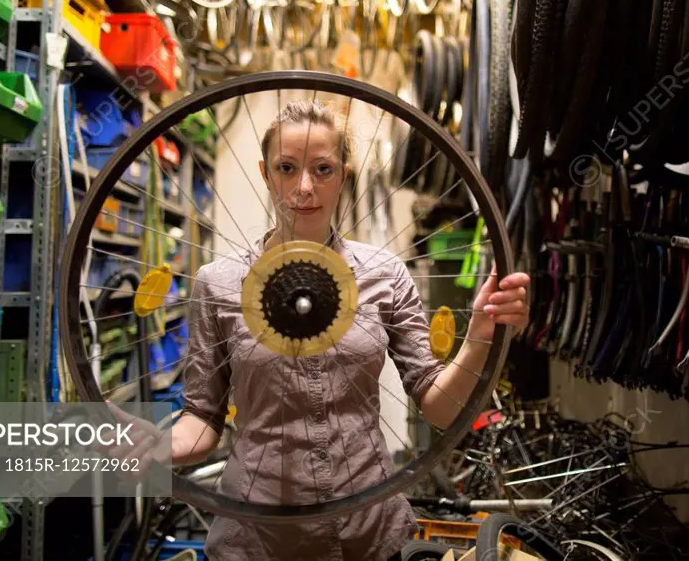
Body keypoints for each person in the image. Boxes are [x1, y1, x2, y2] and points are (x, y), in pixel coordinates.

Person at [130, 101, 530, 560]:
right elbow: (203, 420)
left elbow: (439, 409)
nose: (304, 187)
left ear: (343, 175)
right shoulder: (218, 284)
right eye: (287, 168)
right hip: (258, 537)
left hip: (367, 531)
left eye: (322, 169)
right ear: (265, 173)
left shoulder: (385, 275)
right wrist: (160, 446)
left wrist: (481, 331)